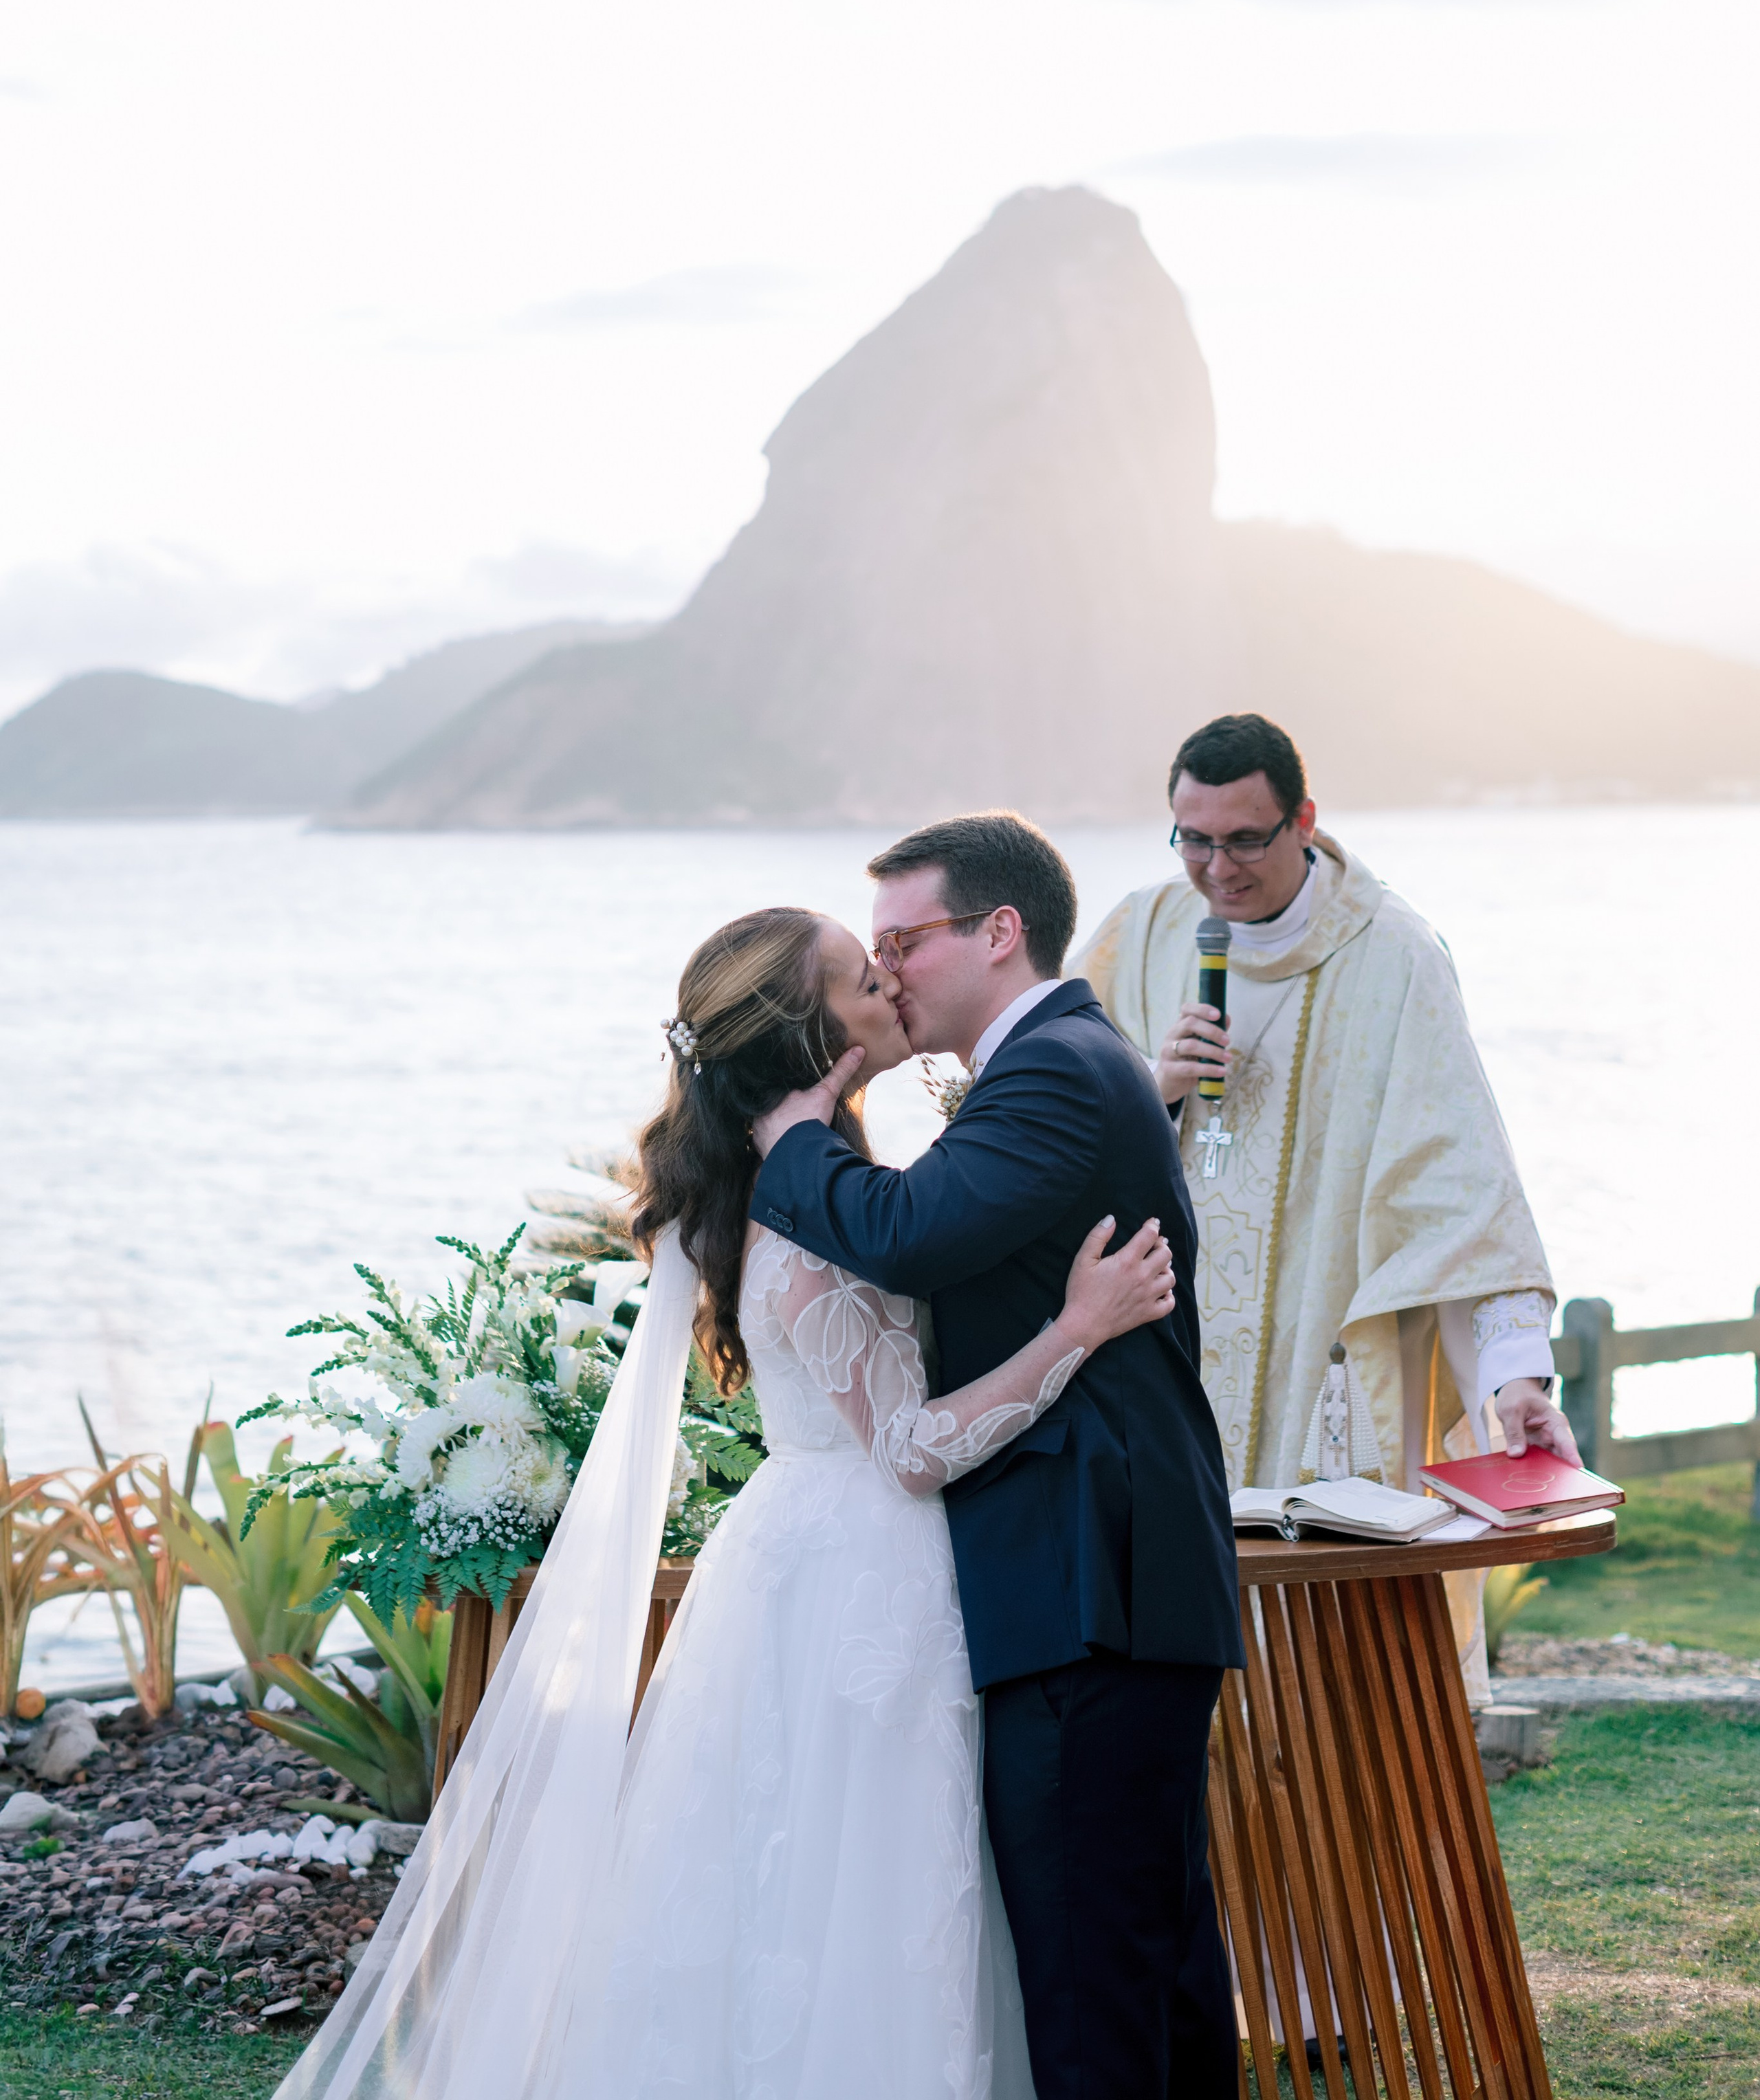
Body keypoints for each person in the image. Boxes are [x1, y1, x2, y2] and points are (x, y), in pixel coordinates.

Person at [275, 905, 1176, 2100]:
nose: (895, 981)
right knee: (861, 1891)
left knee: (816, 1893)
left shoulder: (816, 1187)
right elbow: (908, 1448)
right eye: (867, 976)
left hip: (817, 1563)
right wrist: (1077, 1329)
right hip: (868, 1571)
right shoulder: (804, 1226)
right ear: (821, 1039)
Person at [751, 810, 1244, 2100]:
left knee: (1097, 1988)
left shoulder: (1059, 1068)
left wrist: (785, 1140)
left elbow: (907, 1231)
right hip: (1098, 1580)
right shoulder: (1063, 1064)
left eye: (904, 940)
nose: (889, 970)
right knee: (1150, 1967)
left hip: (1092, 1581)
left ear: (998, 932)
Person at [1072, 710, 1576, 1696]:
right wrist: (1147, 1084)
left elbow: (1463, 1193)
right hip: (1160, 1358)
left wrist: (1517, 1375)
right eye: (1195, 840)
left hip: (1319, 1357)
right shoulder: (1142, 934)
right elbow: (1043, 1123)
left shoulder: (1394, 958)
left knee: (1321, 1682)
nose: (1217, 870)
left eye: (1246, 839)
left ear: (1305, 819)